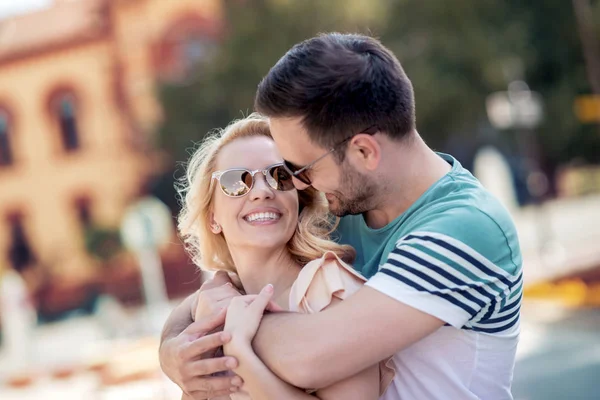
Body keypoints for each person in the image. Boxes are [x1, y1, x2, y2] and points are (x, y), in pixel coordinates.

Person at [160, 33, 523, 400]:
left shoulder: (467, 230)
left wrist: (221, 326)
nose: (298, 186)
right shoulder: (338, 210)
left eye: (298, 168)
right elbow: (226, 290)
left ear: (364, 151)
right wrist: (173, 348)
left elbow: (308, 356)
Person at [171, 113, 393, 399]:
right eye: (237, 181)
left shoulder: (329, 289)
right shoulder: (212, 306)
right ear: (213, 217)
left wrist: (239, 352)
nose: (262, 192)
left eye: (279, 176)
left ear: (298, 201)